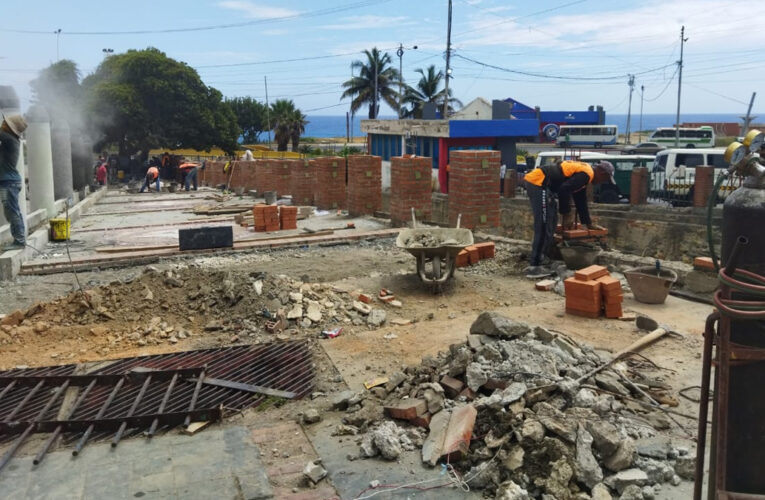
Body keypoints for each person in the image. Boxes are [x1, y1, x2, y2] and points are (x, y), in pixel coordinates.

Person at [523, 159, 611, 276]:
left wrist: (587, 223)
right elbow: (564, 189)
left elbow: (580, 200)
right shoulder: (587, 173)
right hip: (538, 183)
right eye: (605, 179)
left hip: (543, 186)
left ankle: (542, 258)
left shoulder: (585, 174)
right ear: (602, 172)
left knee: (551, 222)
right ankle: (535, 266)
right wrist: (566, 213)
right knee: (543, 224)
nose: (602, 182)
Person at [0, 115, 28, 250]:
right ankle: (19, 238)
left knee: (12, 212)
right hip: (9, 182)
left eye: (4, 123)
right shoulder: (10, 140)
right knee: (11, 212)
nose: (2, 123)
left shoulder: (8, 139)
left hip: (9, 182)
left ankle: (19, 240)